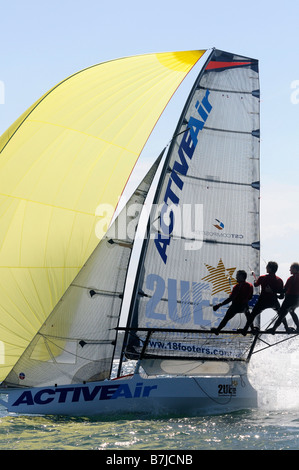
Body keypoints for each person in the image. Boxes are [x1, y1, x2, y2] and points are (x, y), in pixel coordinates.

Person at [240, 261, 286, 335]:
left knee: (252, 315)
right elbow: (281, 296)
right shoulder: (280, 280)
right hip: (273, 301)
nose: (266, 267)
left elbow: (255, 284)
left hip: (263, 301)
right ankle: (286, 328)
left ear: (270, 269)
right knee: (281, 314)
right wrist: (273, 293)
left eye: (267, 267)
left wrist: (255, 280)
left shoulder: (262, 278)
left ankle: (245, 329)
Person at [211, 270, 253, 335]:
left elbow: (230, 299)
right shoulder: (250, 285)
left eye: (237, 276)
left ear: (241, 276)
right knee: (249, 315)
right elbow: (250, 297)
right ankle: (251, 329)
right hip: (244, 307)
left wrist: (219, 305)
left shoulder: (237, 287)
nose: (236, 277)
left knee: (226, 318)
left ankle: (218, 330)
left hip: (236, 307)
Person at [267, 262, 299, 334]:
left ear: (295, 269)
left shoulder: (291, 278)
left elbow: (284, 290)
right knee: (292, 312)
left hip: (289, 299)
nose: (289, 270)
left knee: (281, 314)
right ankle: (298, 327)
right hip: (297, 300)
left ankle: (274, 329)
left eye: (291, 268)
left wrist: (272, 291)